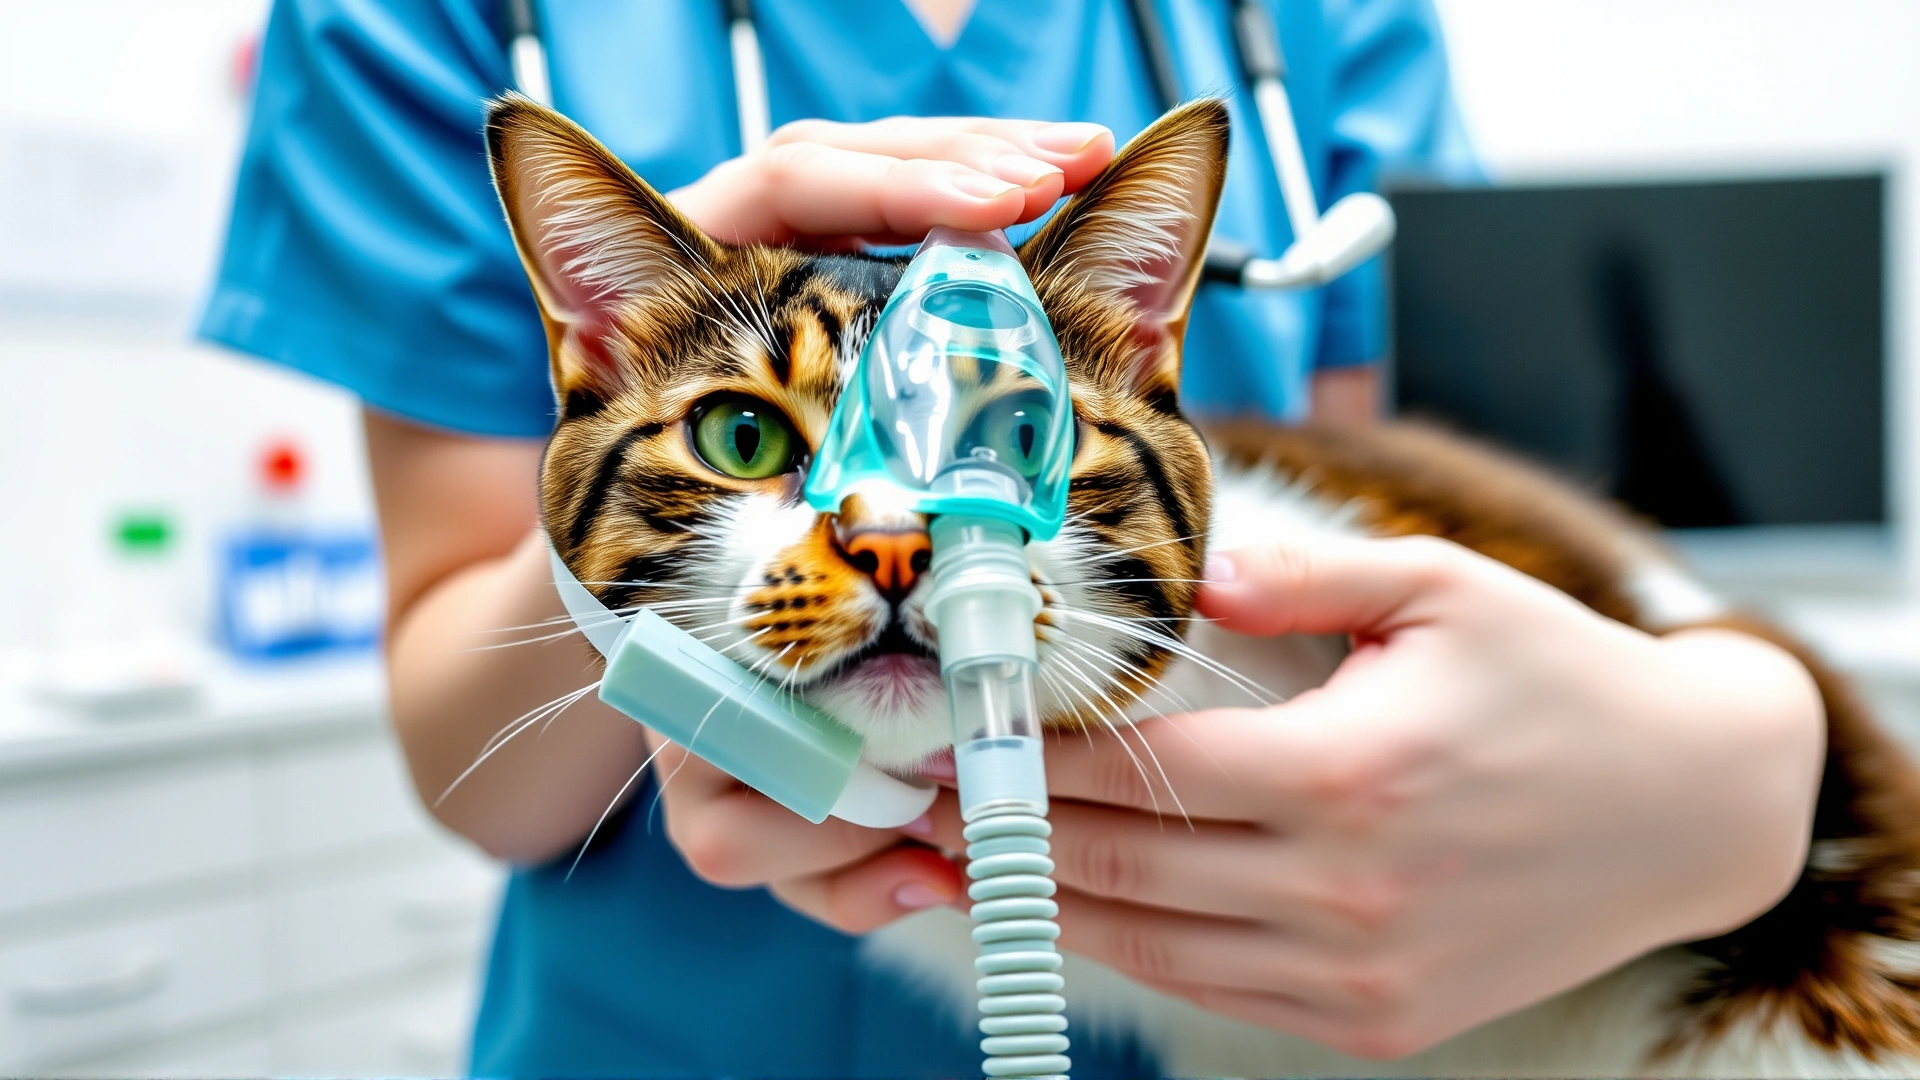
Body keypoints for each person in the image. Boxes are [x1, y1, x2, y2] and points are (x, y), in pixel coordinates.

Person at [200, 0, 1825, 1075]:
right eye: (763, 438)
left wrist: (1748, 775)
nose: (900, 545)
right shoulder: (408, 23)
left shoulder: (1318, 19)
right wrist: (645, 476)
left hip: (1267, 1023)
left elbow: (1431, 564)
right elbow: (473, 761)